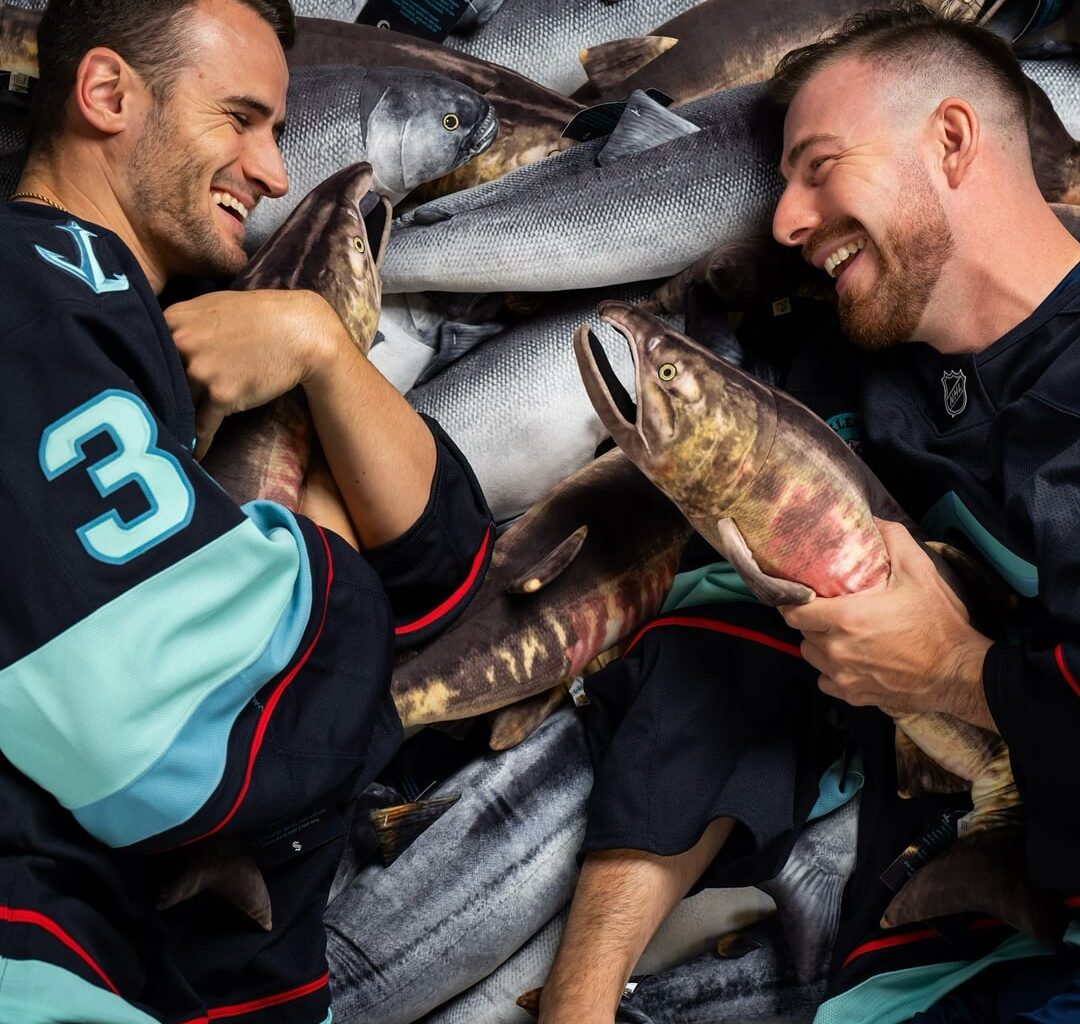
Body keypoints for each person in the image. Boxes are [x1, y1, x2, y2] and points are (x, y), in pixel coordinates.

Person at [538, 5, 1080, 1022]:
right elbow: (726, 655)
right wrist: (579, 999)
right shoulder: (847, 388)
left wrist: (959, 678)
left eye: (820, 166)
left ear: (952, 140)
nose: (786, 220)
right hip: (928, 961)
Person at [0, 1, 492, 1021]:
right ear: (106, 95)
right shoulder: (26, 292)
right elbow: (164, 722)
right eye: (241, 118)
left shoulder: (112, 322)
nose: (274, 171)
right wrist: (322, 560)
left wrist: (314, 340)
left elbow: (446, 566)